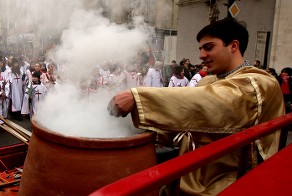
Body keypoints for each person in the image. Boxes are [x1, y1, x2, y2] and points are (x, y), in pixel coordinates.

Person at [107, 18, 284, 195]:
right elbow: (189, 124)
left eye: (208, 47)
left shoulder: (259, 83)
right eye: (200, 49)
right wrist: (134, 129)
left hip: (230, 184)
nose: (201, 55)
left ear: (233, 46)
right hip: (188, 177)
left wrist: (138, 97)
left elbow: (214, 103)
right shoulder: (209, 80)